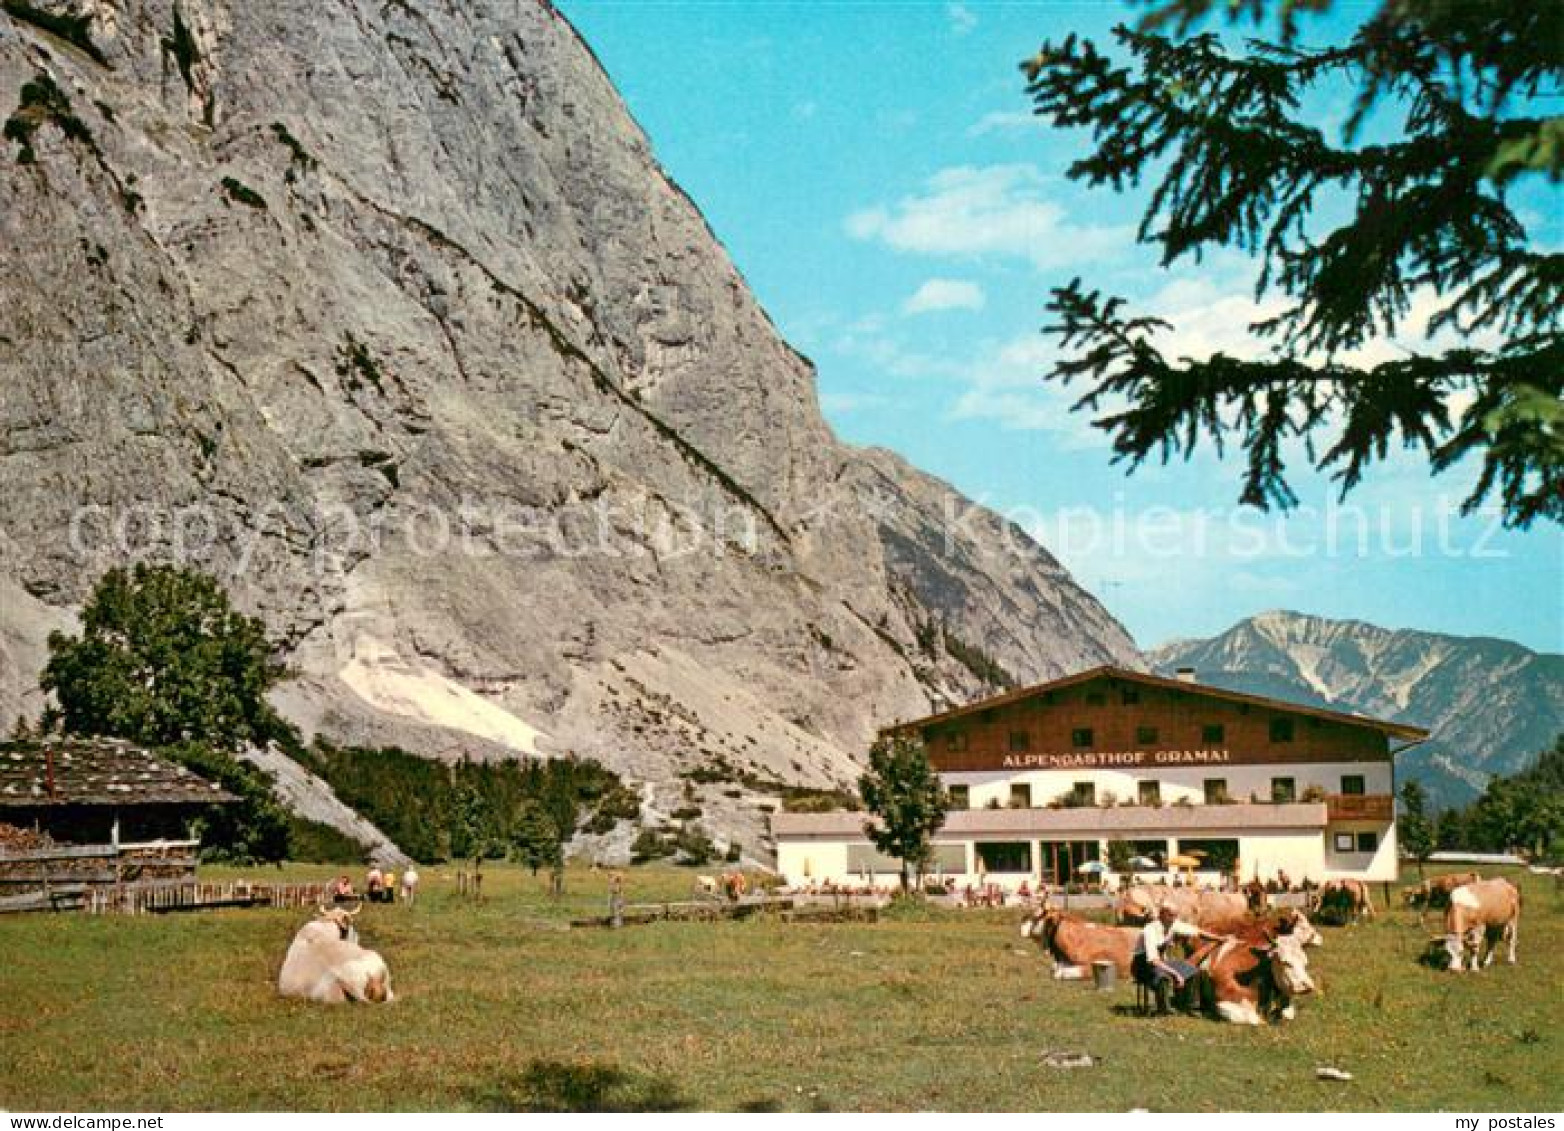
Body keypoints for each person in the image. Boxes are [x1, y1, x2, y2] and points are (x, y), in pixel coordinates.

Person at [1132, 904, 1226, 1015]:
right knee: (1163, 976)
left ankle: (1189, 1006)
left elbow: (1198, 932)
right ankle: (1164, 1009)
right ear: (1161, 915)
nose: (1174, 919)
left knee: (1193, 971)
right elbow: (1153, 960)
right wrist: (1176, 974)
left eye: (1175, 915)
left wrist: (1220, 939)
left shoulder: (1173, 924)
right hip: (1142, 966)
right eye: (1171, 915)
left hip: (1159, 962)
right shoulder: (1150, 930)